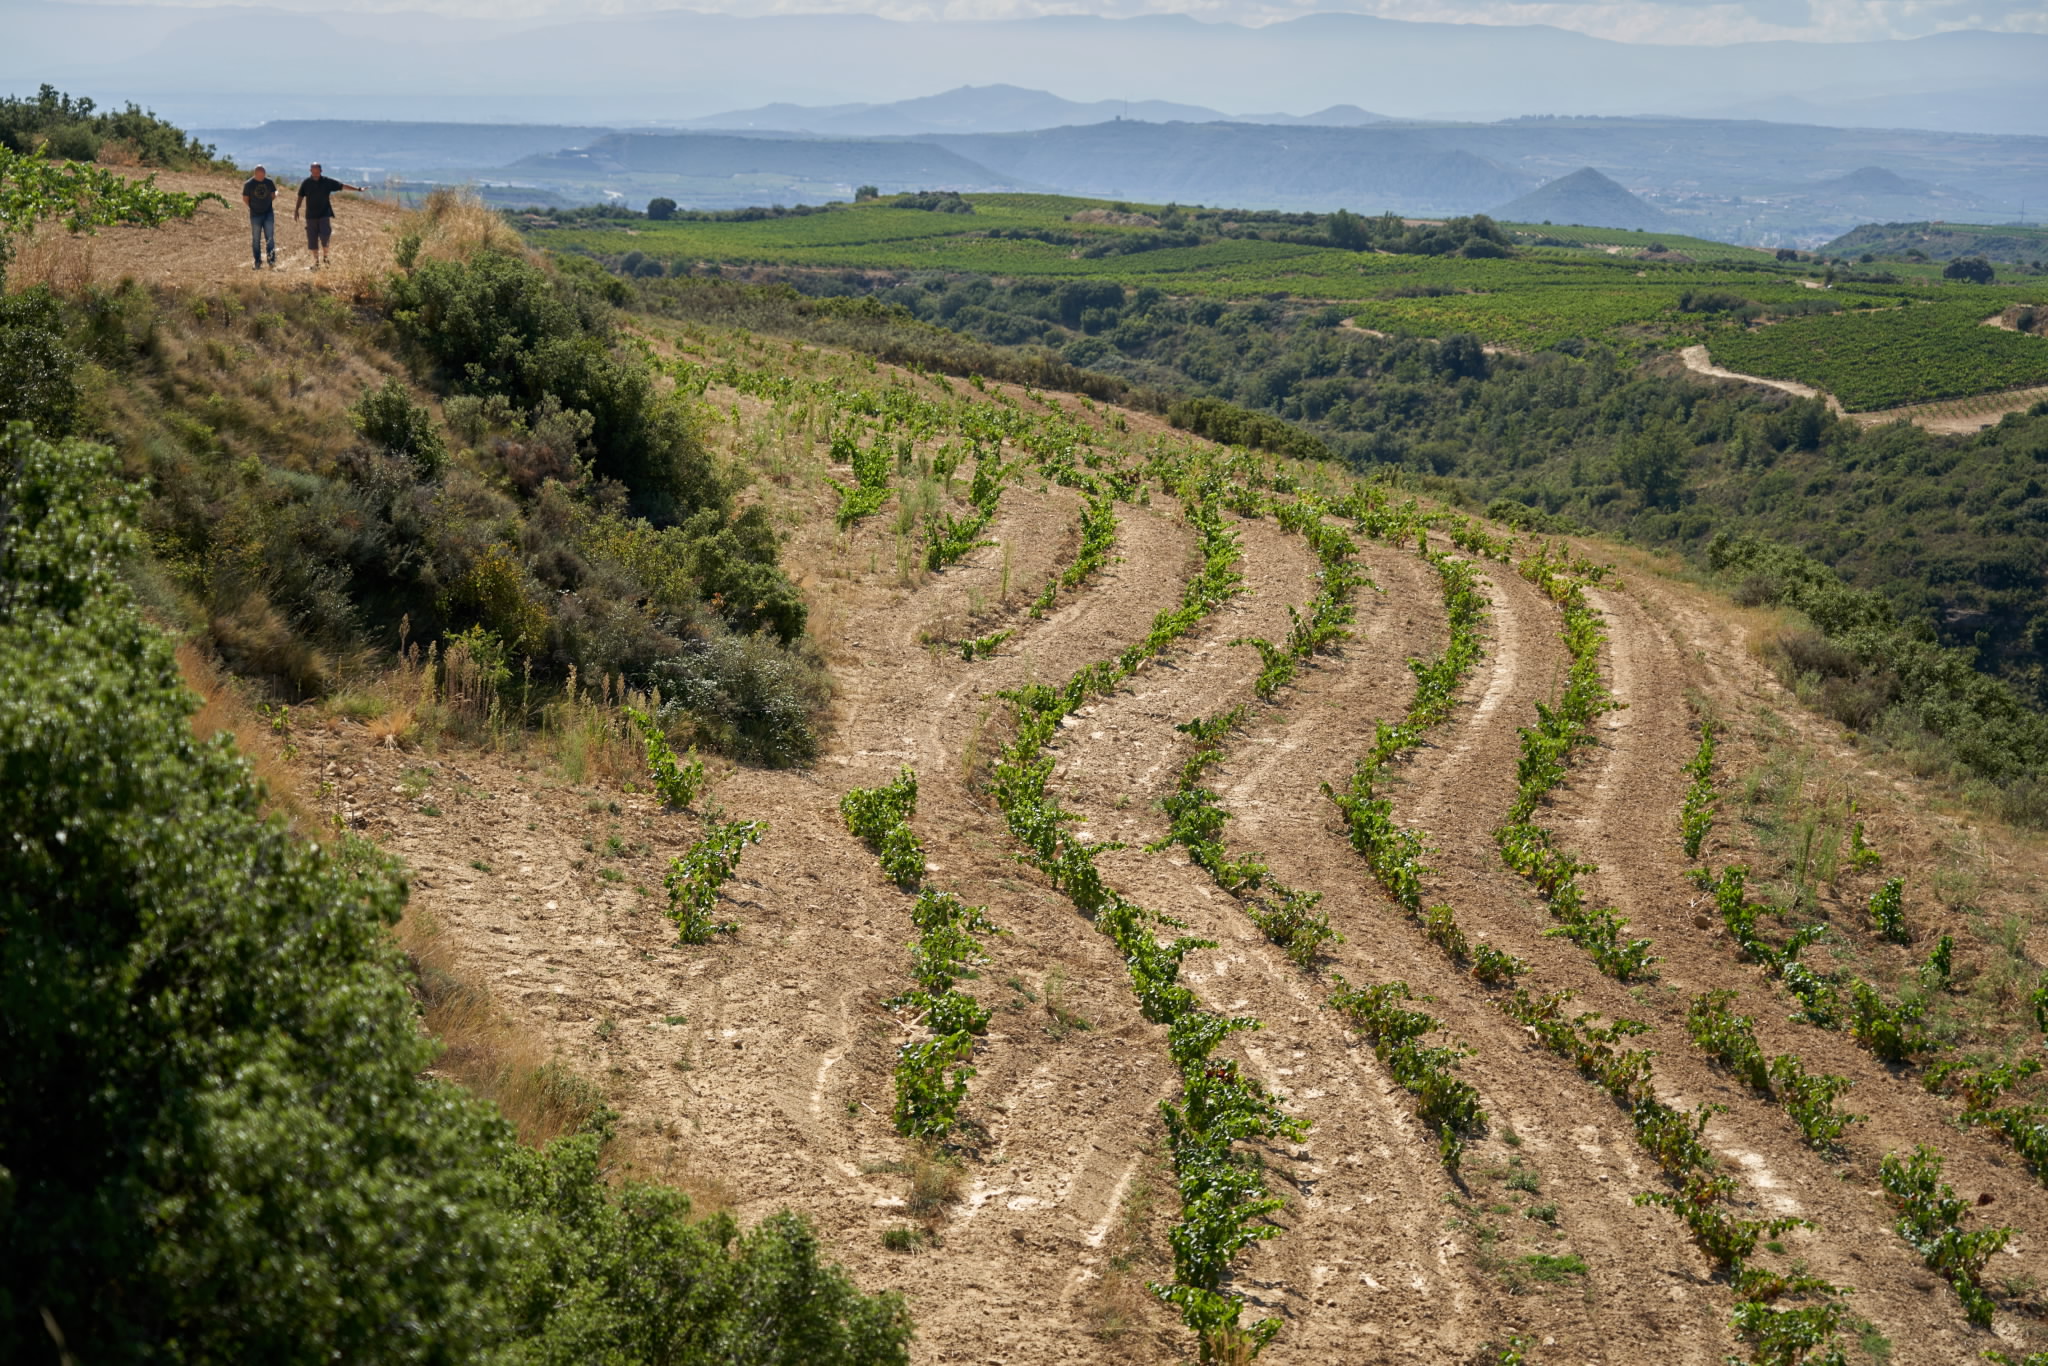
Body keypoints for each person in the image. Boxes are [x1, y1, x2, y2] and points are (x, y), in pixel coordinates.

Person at [292, 162, 367, 270]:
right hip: (311, 216)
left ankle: (326, 257)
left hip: (324, 214)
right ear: (310, 171)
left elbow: (342, 186)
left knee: (325, 236)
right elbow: (300, 196)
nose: (315, 172)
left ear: (321, 171)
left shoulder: (327, 182)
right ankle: (316, 262)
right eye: (313, 170)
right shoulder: (306, 183)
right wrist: (296, 210)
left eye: (317, 170)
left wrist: (358, 189)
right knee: (312, 240)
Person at [242, 165, 279, 269]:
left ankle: (271, 261)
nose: (263, 176)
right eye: (261, 174)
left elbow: (273, 194)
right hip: (255, 215)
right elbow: (245, 198)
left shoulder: (269, 182)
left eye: (264, 174)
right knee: (256, 239)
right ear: (256, 173)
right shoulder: (249, 184)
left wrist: (273, 197)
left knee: (270, 238)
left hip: (268, 213)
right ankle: (257, 262)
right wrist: (252, 207)